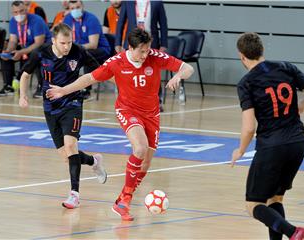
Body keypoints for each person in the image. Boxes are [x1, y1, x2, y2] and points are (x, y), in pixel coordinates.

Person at [46, 28, 194, 220]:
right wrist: (63, 91)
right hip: (128, 110)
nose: (145, 55)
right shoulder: (116, 63)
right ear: (130, 48)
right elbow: (89, 78)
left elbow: (187, 68)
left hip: (152, 114)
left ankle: (122, 199)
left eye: (147, 50)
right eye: (141, 51)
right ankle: (125, 201)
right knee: (139, 148)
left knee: (145, 164)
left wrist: (177, 76)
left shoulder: (154, 56)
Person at [230, 32, 304, 240]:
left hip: (272, 146)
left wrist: (241, 150)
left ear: (242, 56)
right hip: (298, 142)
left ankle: (293, 232)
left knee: (253, 204)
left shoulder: (247, 83)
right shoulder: (286, 67)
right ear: (261, 50)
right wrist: (297, 110)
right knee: (275, 198)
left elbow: (248, 128)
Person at [19, 23, 107, 209]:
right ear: (54, 41)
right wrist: (22, 96)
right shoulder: (41, 53)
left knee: (70, 145)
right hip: (50, 107)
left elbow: (100, 71)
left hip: (73, 103)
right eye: (63, 43)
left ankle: (74, 194)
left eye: (69, 42)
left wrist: (123, 85)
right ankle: (94, 160)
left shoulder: (78, 52)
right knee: (67, 156)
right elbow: (25, 75)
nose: (67, 46)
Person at [114, 0, 168, 111]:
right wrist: (118, 43)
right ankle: (125, 101)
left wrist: (163, 44)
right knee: (127, 72)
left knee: (153, 73)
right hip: (132, 43)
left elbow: (163, 24)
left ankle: (157, 102)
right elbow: (120, 23)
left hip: (151, 42)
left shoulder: (157, 3)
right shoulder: (127, 2)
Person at [0, 0, 51, 97]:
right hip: (26, 47)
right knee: (6, 56)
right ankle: (8, 86)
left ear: (26, 9)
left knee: (36, 54)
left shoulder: (37, 20)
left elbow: (39, 43)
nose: (19, 14)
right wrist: (9, 50)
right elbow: (13, 40)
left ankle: (42, 86)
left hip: (45, 47)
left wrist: (21, 52)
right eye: (16, 12)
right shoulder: (13, 21)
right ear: (12, 13)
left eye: (21, 11)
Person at [63, 0, 111, 99]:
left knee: (85, 54)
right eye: (72, 8)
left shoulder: (91, 19)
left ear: (83, 6)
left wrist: (74, 49)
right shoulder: (67, 20)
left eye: (78, 7)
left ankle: (86, 90)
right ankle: (66, 87)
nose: (75, 10)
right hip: (77, 49)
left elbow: (93, 44)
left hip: (100, 49)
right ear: (69, 9)